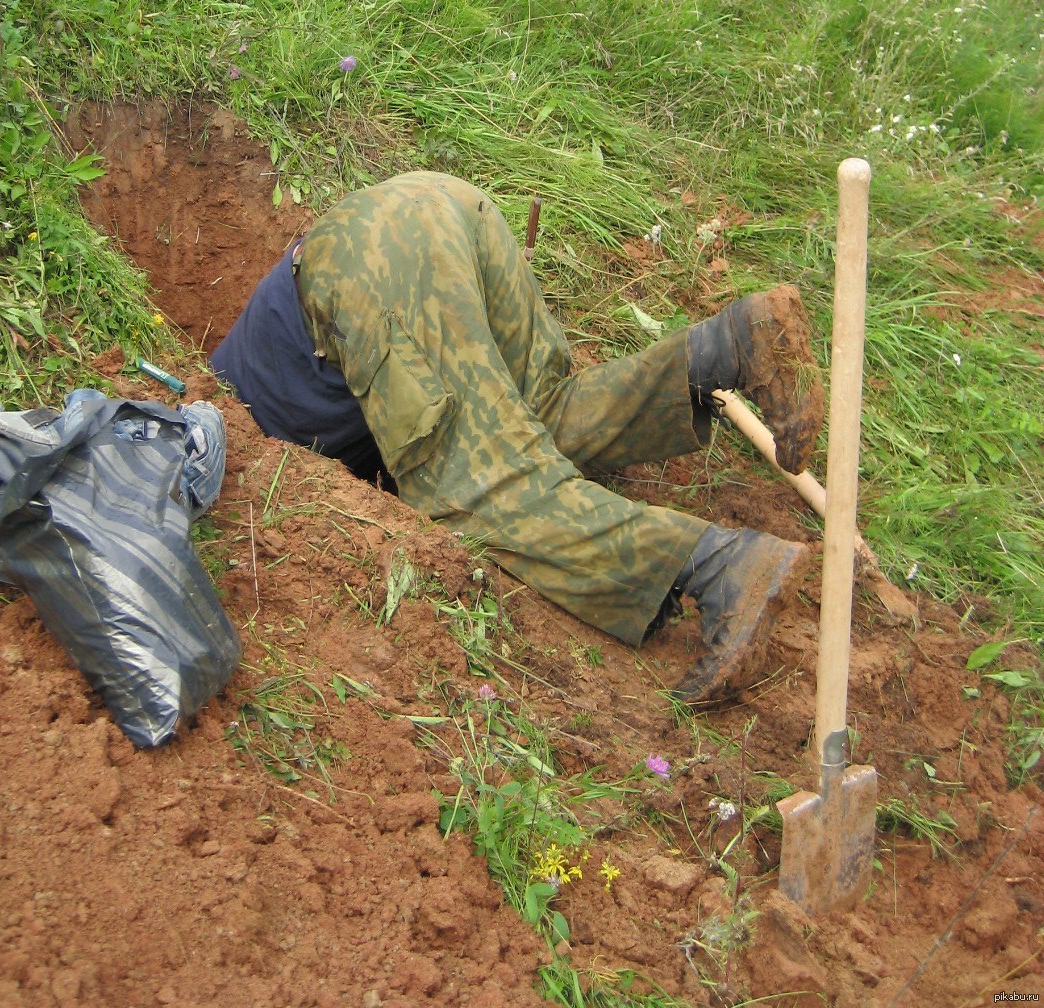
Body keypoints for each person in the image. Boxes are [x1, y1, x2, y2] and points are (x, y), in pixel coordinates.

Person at [211, 172, 824, 703]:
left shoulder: (231, 449)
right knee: (540, 414)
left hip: (375, 271)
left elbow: (455, 474)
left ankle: (719, 567)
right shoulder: (235, 395)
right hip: (439, 206)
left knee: (479, 485)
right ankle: (733, 345)